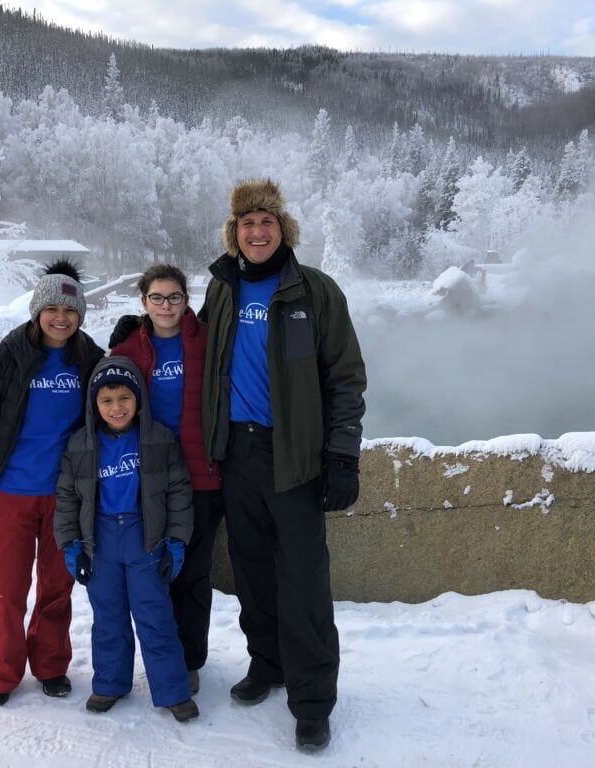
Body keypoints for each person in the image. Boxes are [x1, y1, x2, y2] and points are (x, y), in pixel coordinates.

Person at [200, 179, 367, 752]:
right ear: (235, 233)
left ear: (283, 228)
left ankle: (313, 701)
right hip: (237, 455)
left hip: (293, 459)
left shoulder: (314, 292)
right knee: (251, 571)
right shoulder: (221, 291)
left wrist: (342, 456)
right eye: (246, 223)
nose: (256, 231)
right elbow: (196, 353)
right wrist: (138, 337)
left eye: (266, 221)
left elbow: (344, 378)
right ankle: (267, 664)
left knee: (304, 583)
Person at [0, 259, 104, 708]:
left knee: (57, 586)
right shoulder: (4, 357)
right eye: (52, 308)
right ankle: (1, 672)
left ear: (81, 317)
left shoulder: (90, 359)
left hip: (64, 496)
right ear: (37, 311)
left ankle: (51, 665)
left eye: (71, 311)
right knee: (7, 590)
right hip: (11, 494)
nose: (61, 318)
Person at [54, 356, 199, 722]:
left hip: (144, 538)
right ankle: (110, 683)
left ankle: (172, 689)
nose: (117, 408)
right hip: (99, 541)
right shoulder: (81, 444)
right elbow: (68, 496)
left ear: (138, 400)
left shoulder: (158, 439)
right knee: (108, 617)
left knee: (155, 616)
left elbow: (179, 490)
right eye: (107, 401)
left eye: (124, 399)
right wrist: (71, 545)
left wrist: (176, 540)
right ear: (94, 404)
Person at [109, 264, 223, 695]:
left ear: (186, 300)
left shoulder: (209, 341)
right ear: (143, 303)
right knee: (155, 572)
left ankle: (190, 659)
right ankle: (162, 653)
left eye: (174, 297)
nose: (166, 306)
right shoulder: (127, 348)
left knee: (194, 574)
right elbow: (107, 400)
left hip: (202, 476)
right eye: (156, 298)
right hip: (148, 478)